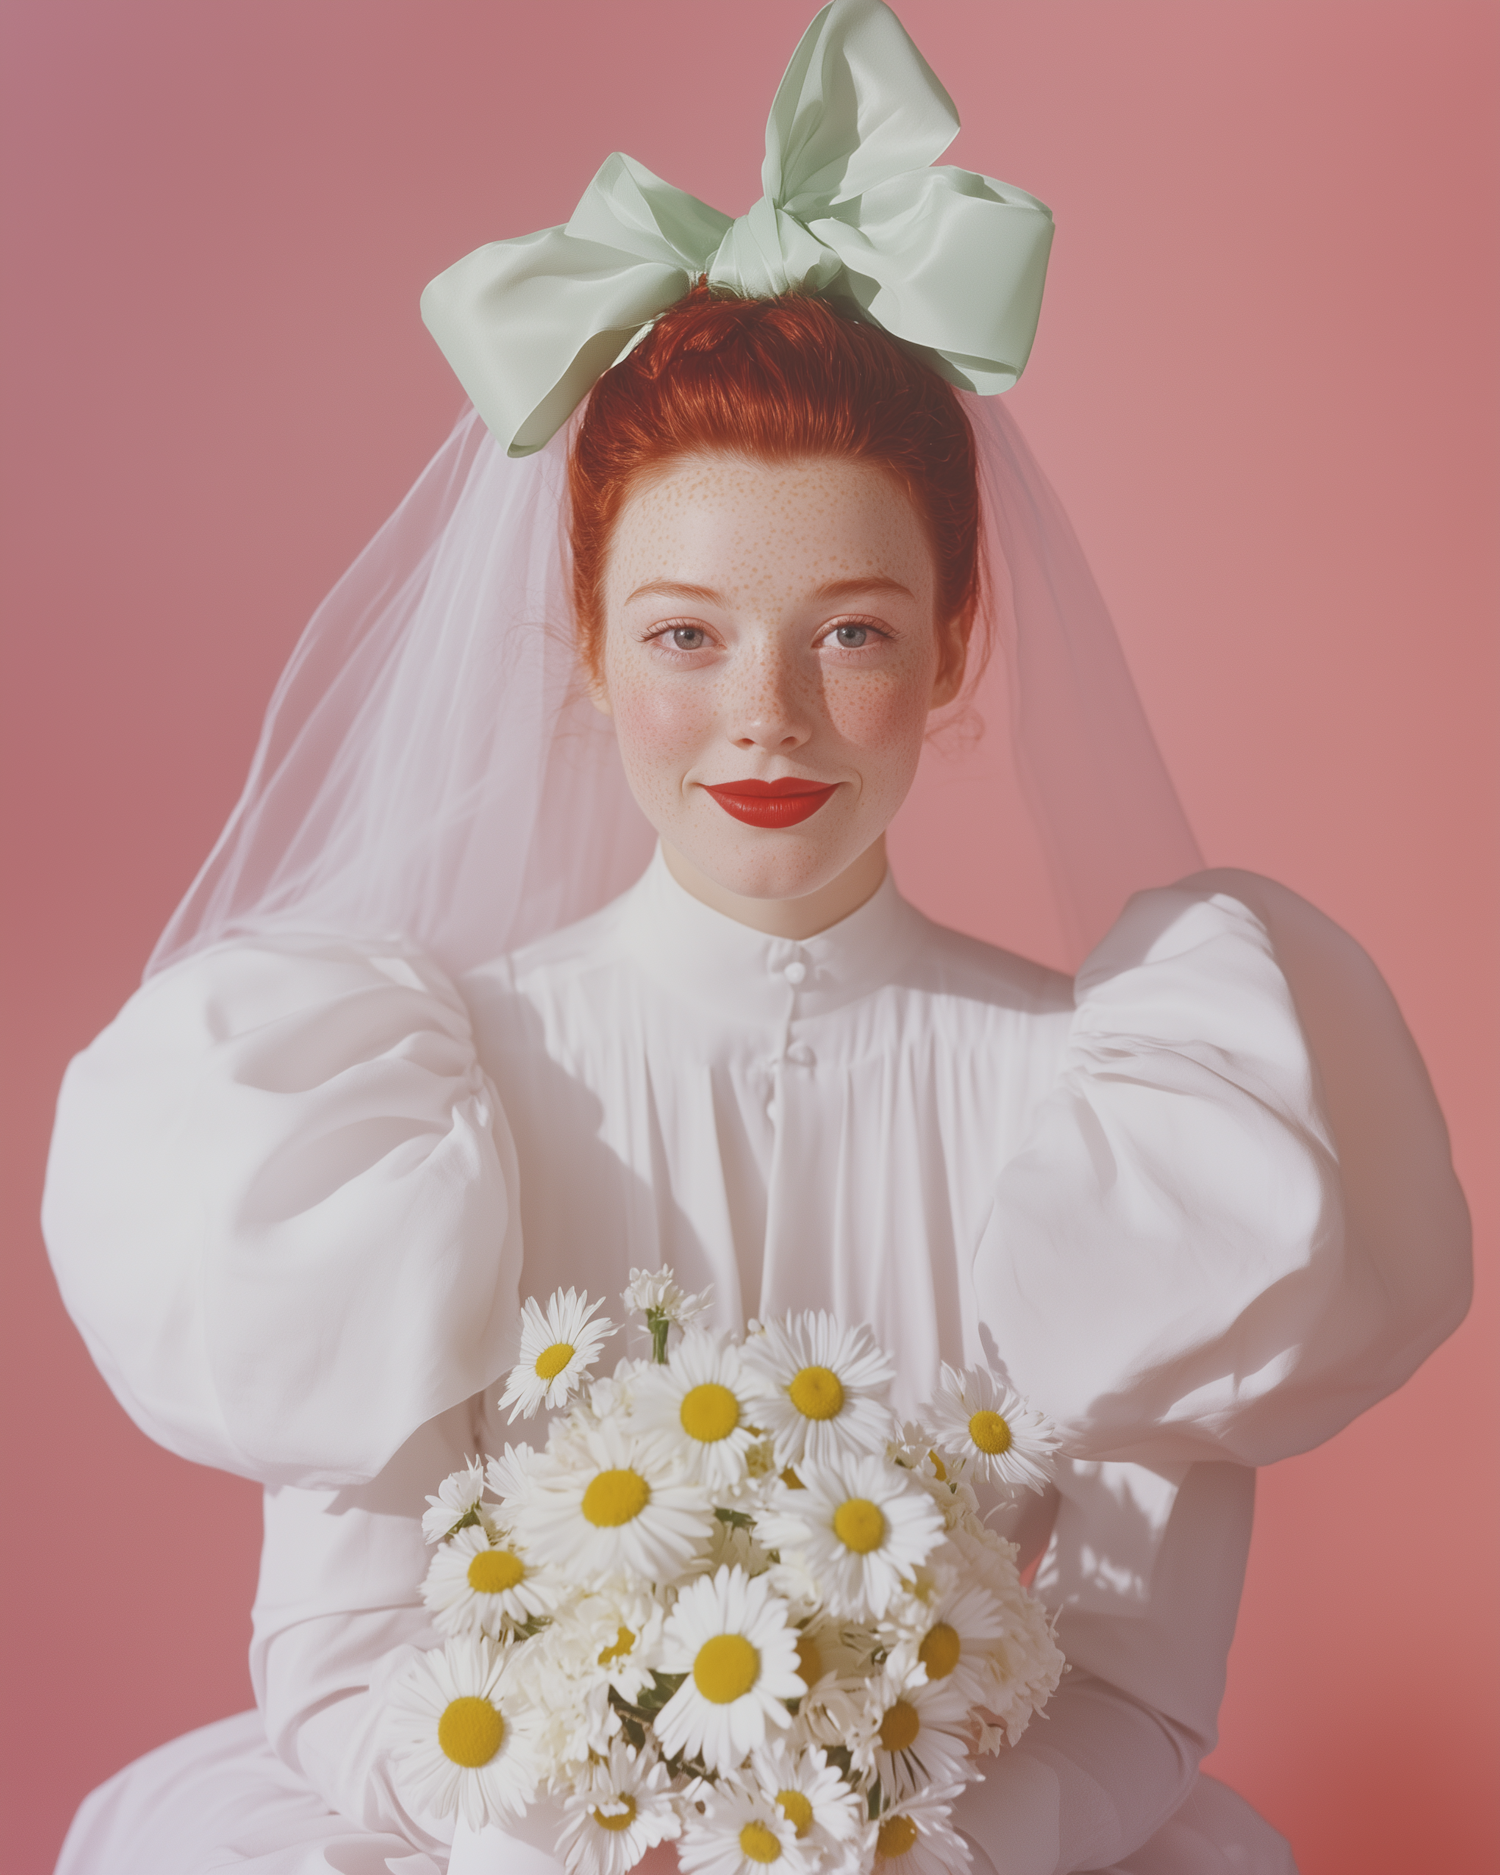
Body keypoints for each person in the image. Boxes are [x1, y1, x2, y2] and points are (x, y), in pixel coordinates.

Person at [40, 4, 1470, 1873]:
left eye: (854, 633)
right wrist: (587, 1830)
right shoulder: (399, 1095)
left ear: (956, 640)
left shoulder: (1136, 1114)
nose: (767, 720)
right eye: (688, 635)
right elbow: (338, 1659)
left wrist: (880, 1844)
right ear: (588, 643)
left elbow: (1133, 1685)